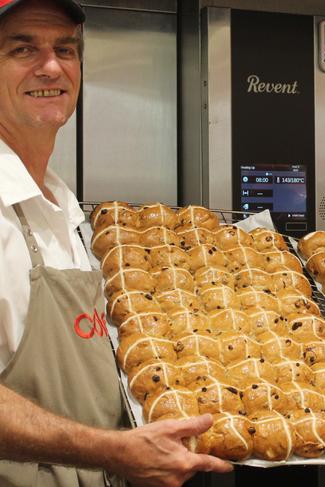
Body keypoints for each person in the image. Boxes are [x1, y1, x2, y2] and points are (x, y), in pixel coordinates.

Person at [0, 1, 233, 485]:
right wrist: (110, 450)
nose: (51, 66)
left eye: (65, 49)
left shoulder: (67, 209)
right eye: (22, 49)